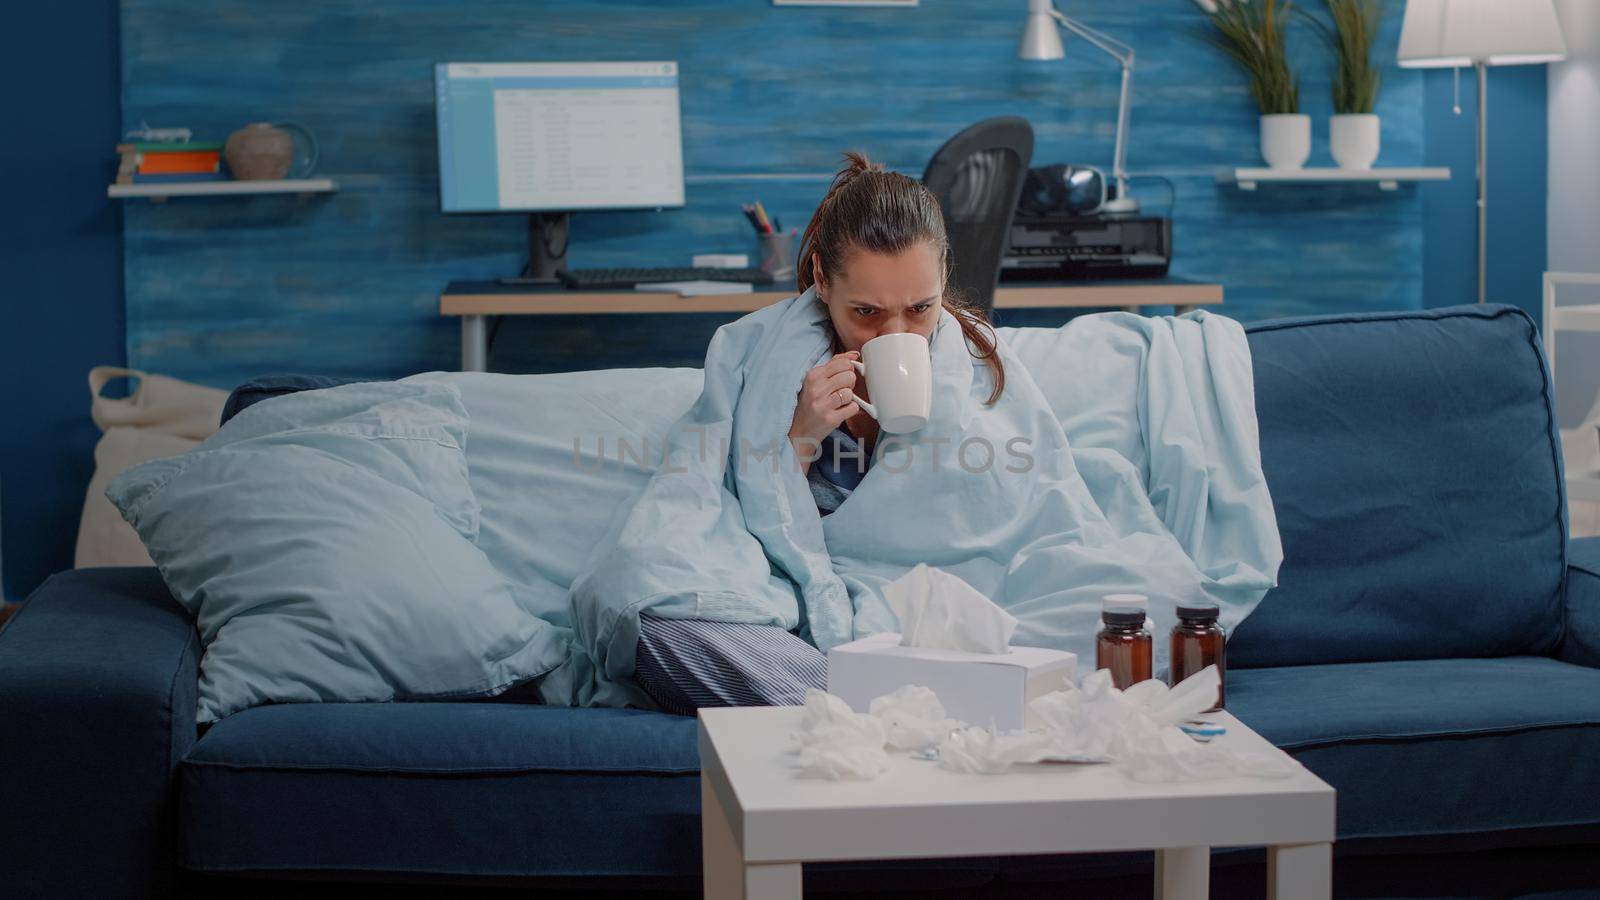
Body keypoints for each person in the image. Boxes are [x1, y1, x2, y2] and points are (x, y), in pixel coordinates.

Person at [633, 152, 1007, 714]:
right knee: (656, 619)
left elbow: (1021, 517)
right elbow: (705, 504)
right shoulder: (751, 353)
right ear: (820, 283)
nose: (896, 331)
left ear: (944, 279)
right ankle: (878, 703)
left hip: (931, 592)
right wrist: (799, 440)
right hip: (786, 594)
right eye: (866, 311)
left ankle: (856, 704)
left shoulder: (981, 367)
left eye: (921, 307)